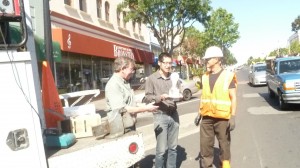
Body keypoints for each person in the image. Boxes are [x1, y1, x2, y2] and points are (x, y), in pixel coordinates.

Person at [194, 46, 237, 168]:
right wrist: (199, 113)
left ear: (218, 59)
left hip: (222, 117)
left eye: (209, 58)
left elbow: (233, 97)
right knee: (205, 146)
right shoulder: (205, 76)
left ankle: (225, 165)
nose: (206, 60)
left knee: (224, 145)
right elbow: (204, 96)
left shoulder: (228, 76)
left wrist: (232, 116)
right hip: (207, 117)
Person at [105, 56, 158, 137]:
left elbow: (129, 103)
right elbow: (123, 109)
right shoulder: (113, 85)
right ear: (123, 69)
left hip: (128, 126)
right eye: (131, 69)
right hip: (119, 130)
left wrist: (143, 106)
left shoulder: (124, 82)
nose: (133, 72)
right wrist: (146, 108)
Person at [144, 52, 180, 168]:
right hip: (160, 115)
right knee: (161, 150)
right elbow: (147, 97)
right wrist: (160, 97)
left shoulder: (174, 77)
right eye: (165, 63)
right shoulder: (152, 79)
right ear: (159, 63)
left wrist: (180, 96)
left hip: (174, 114)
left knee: (173, 148)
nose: (168, 65)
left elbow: (178, 92)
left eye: (170, 63)